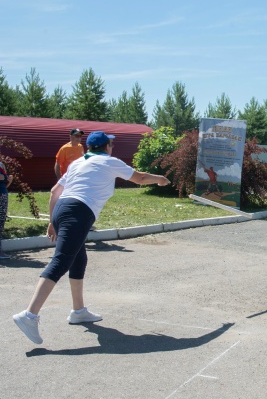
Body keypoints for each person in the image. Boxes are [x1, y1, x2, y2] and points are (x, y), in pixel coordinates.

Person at [13, 131, 170, 344]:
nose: (112, 147)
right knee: (61, 261)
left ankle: (78, 311)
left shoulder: (78, 163)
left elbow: (54, 191)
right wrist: (159, 179)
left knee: (78, 259)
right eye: (111, 144)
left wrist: (52, 221)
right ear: (106, 147)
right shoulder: (109, 161)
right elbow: (139, 178)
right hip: (78, 212)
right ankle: (29, 315)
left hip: (62, 209)